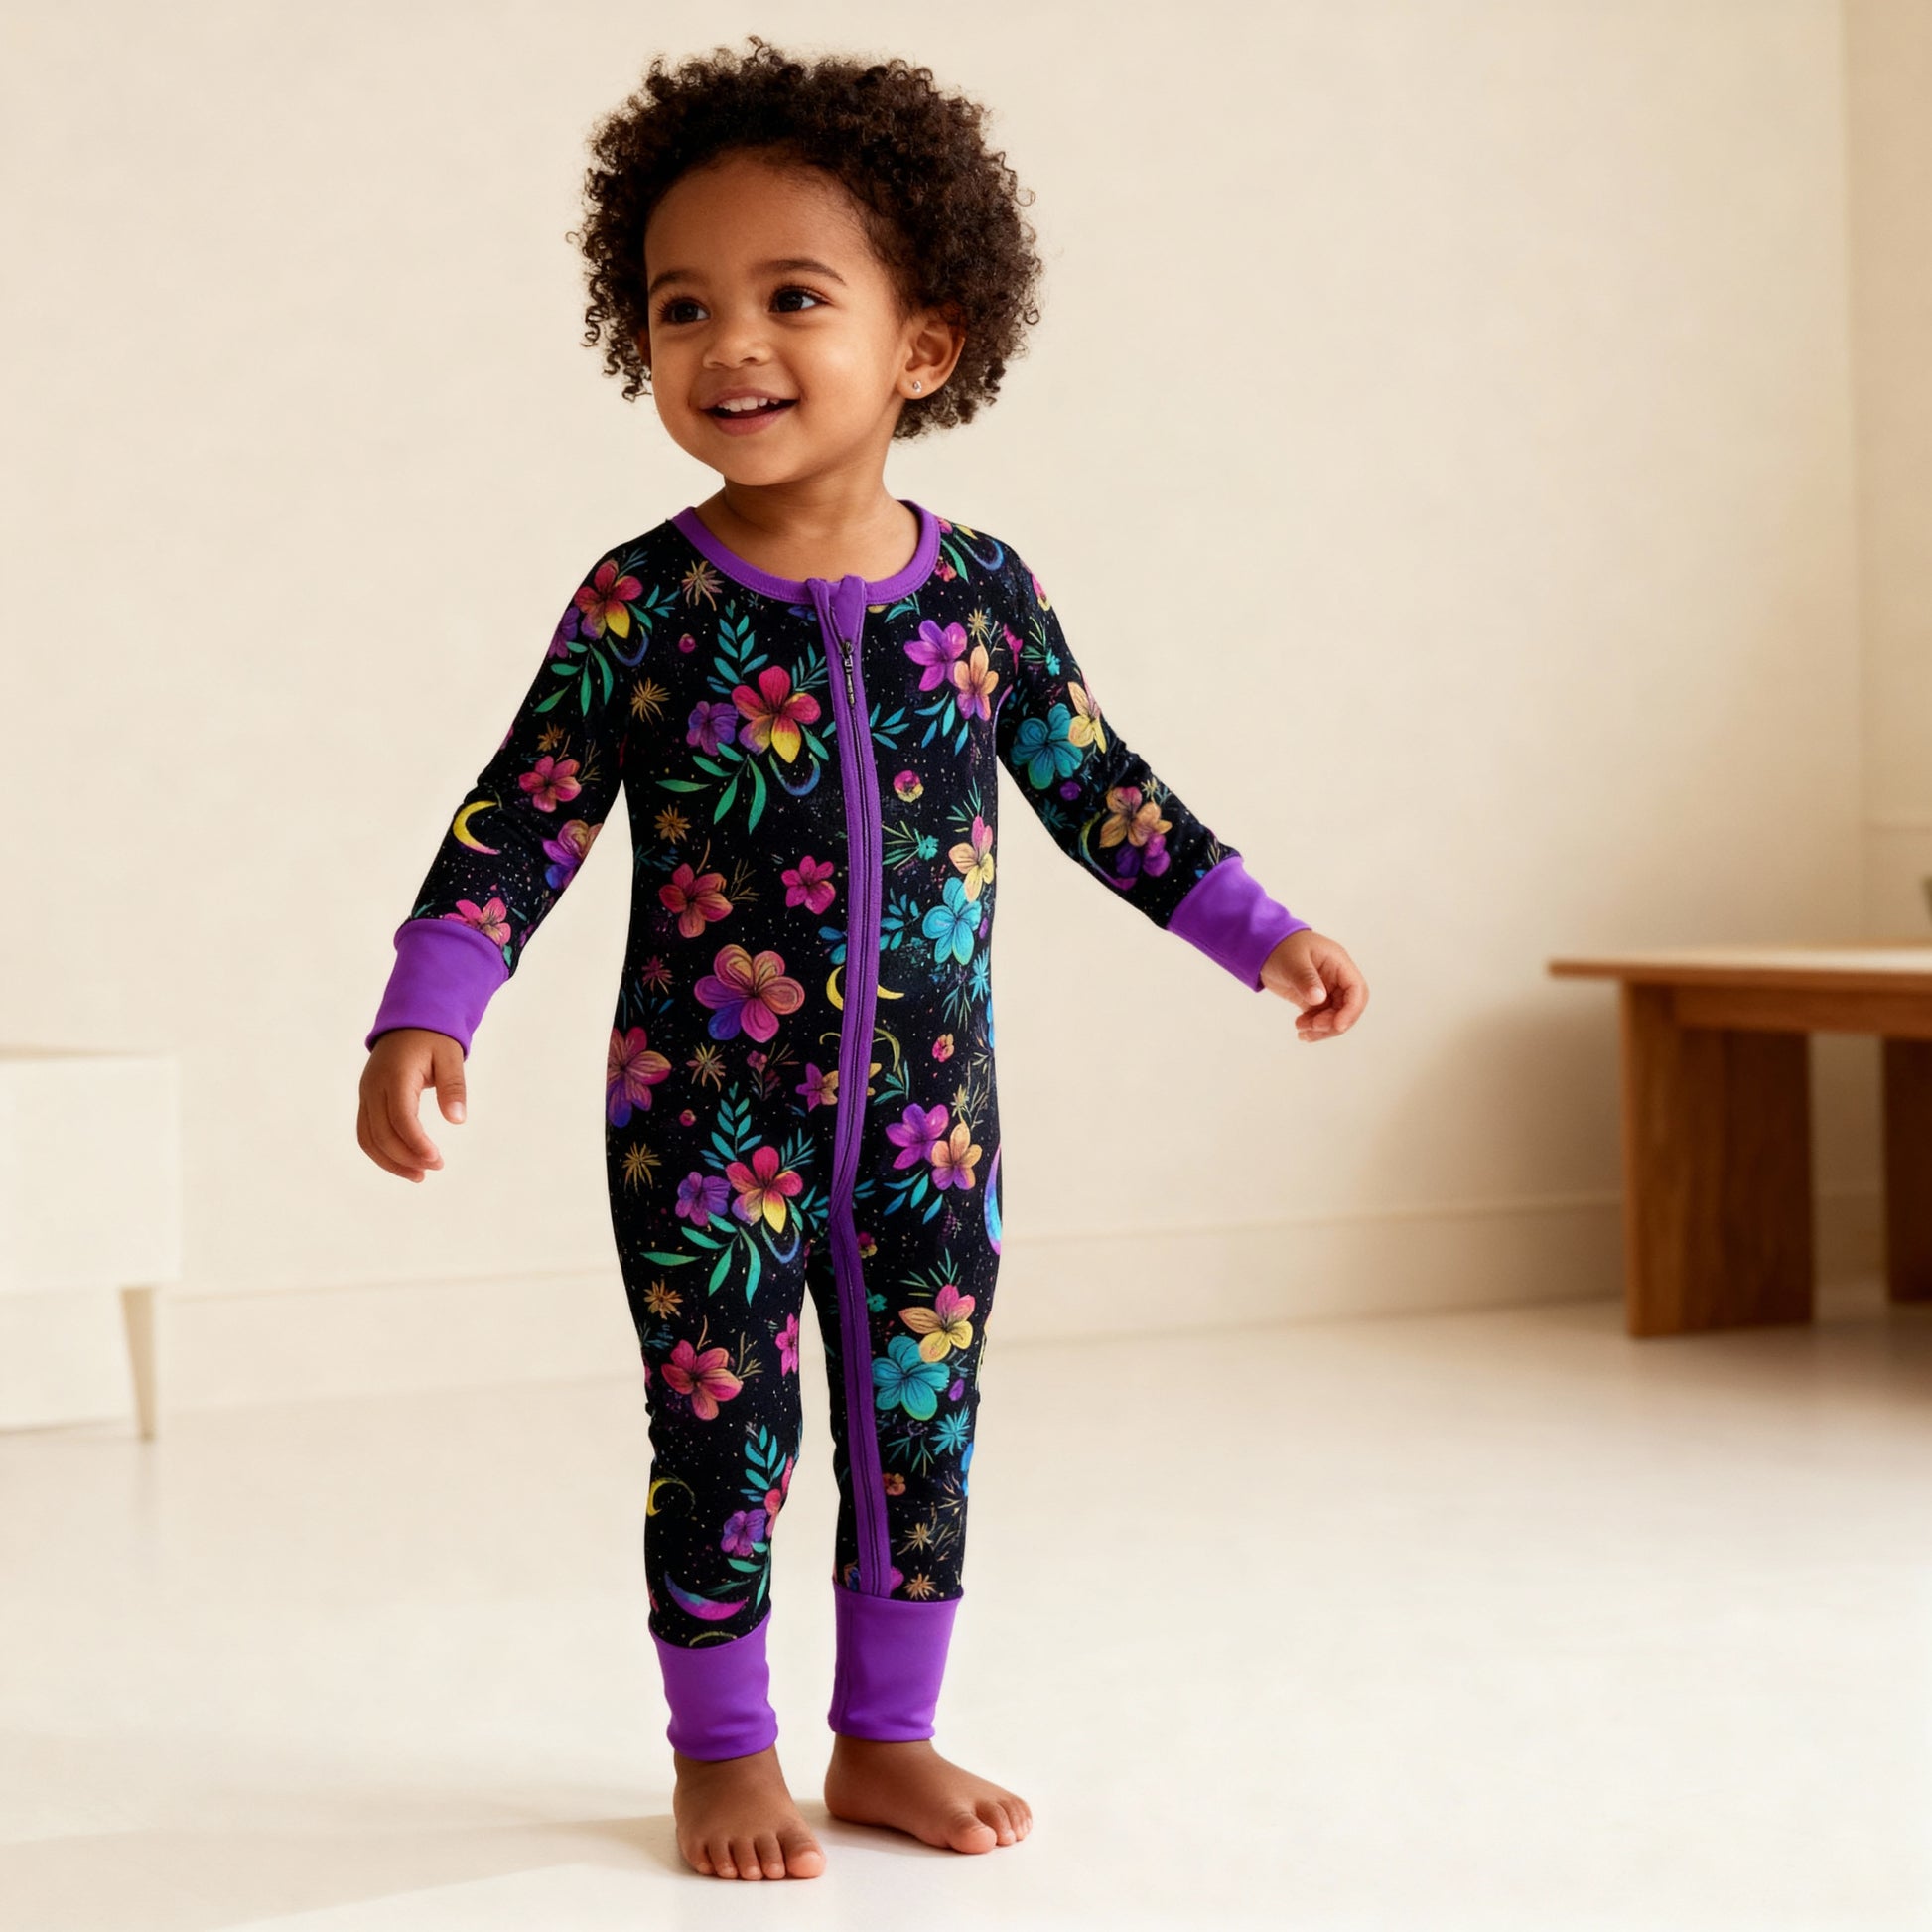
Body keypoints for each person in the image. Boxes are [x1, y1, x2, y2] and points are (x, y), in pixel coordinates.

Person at [355, 35, 1368, 1884]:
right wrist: (431, 1005)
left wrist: (1258, 930)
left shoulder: (981, 596)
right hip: (703, 1126)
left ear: (924, 344)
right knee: (719, 1430)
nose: (726, 342)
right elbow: (527, 809)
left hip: (930, 1134)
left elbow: (1098, 786)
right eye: (680, 304)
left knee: (921, 1429)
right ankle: (723, 1751)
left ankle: (886, 1733)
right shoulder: (645, 599)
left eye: (792, 296)